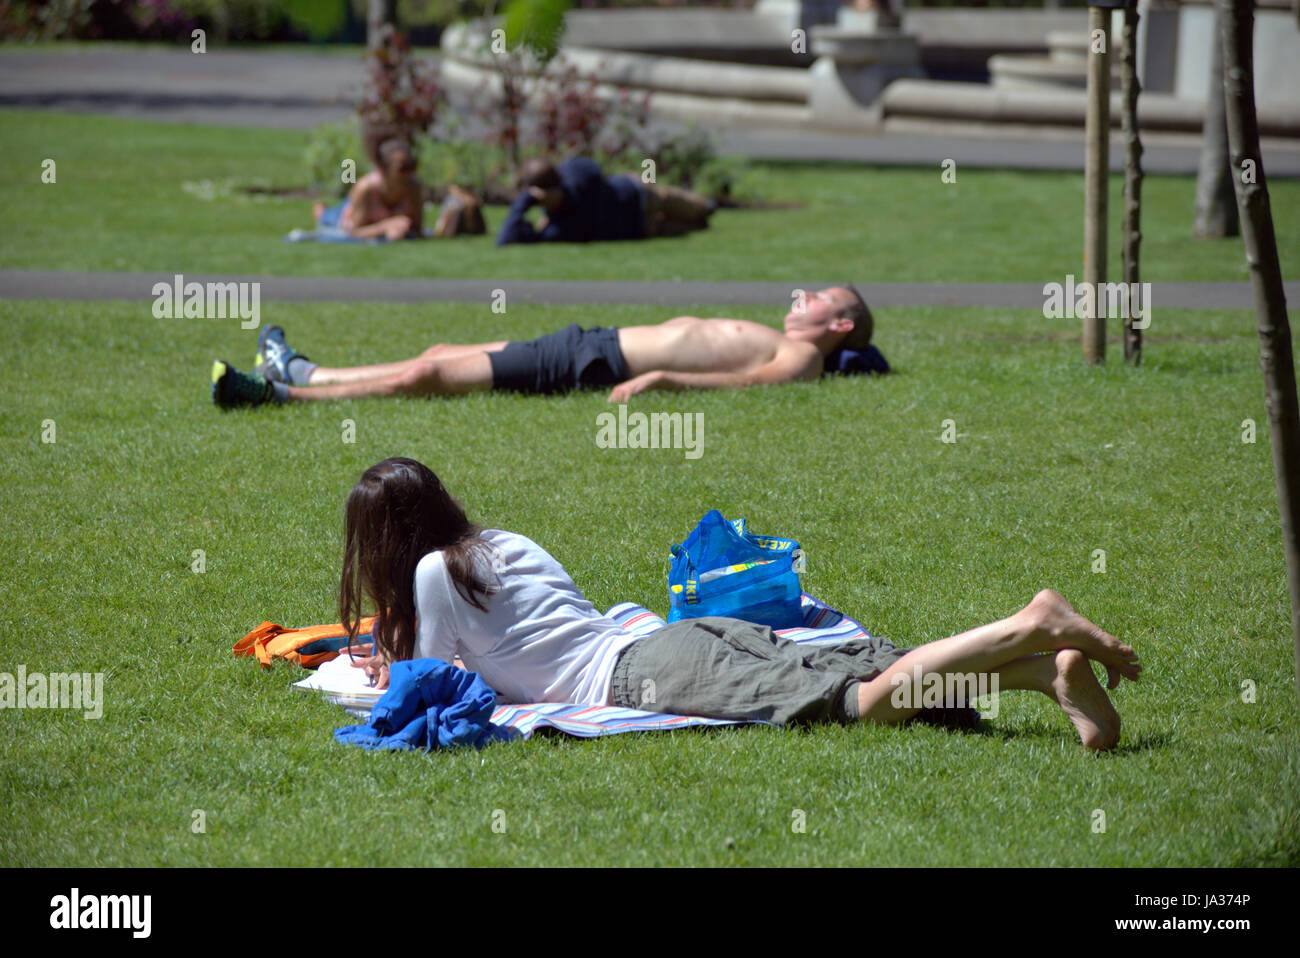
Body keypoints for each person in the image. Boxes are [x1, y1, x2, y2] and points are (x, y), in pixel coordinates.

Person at [338, 458, 1141, 749]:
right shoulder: (500, 543)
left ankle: (1029, 622)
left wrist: (387, 669)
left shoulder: (434, 578)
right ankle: (1045, 674)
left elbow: (434, 686)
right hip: (678, 640)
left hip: (637, 679)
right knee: (877, 673)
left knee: (857, 704)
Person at [210, 285, 887, 408]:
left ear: (839, 325)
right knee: (442, 350)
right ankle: (309, 370)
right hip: (595, 342)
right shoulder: (798, 343)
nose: (802, 295)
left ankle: (278, 393)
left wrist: (665, 384)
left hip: (600, 363)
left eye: (819, 297)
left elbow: (752, 387)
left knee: (431, 375)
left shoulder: (804, 360)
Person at [495, 156, 714, 246]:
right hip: (641, 227)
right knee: (694, 227)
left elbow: (592, 169)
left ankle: (706, 206)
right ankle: (701, 220)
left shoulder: (575, 175)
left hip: (641, 194)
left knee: (700, 208)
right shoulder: (558, 227)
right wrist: (523, 202)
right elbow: (504, 239)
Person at [312, 138, 424, 242]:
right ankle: (320, 210)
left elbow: (417, 230)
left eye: (412, 166)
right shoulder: (366, 188)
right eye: (403, 168)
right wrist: (385, 227)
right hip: (348, 214)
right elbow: (353, 232)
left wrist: (401, 229)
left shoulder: (413, 188)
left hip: (373, 217)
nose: (409, 173)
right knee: (327, 218)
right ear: (383, 168)